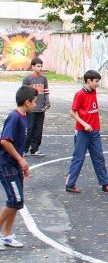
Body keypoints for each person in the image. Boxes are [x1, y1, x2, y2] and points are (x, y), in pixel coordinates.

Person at [0, 86, 38, 249]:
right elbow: (5, 141)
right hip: (6, 165)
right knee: (14, 200)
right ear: (27, 102)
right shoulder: (14, 117)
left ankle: (7, 235)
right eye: (34, 102)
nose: (35, 105)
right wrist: (20, 160)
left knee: (17, 201)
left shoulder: (23, 117)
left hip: (15, 165)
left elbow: (18, 144)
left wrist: (22, 164)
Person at [65, 70, 108, 194]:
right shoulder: (80, 94)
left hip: (94, 131)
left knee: (99, 157)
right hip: (82, 132)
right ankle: (70, 184)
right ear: (89, 80)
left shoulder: (93, 91)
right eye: (96, 81)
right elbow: (72, 112)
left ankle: (105, 183)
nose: (97, 84)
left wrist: (94, 124)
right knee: (78, 158)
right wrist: (84, 124)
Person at [22, 57, 50, 156]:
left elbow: (46, 91)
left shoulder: (43, 78)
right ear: (33, 66)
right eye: (38, 66)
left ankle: (34, 149)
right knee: (30, 129)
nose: (40, 68)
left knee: (38, 130)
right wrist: (25, 106)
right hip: (31, 109)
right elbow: (23, 93)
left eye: (41, 66)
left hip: (41, 109)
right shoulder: (27, 79)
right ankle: (24, 149)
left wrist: (47, 102)